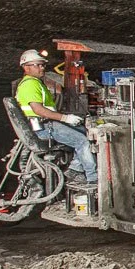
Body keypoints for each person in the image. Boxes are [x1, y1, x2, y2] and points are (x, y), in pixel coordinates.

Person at [15, 49, 98, 184]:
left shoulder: (36, 82)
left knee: (85, 133)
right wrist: (65, 118)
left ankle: (75, 168)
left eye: (42, 65)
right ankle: (93, 179)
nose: (42, 68)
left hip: (47, 124)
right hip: (42, 127)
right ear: (26, 67)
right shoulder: (30, 84)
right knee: (82, 141)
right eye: (37, 65)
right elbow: (38, 110)